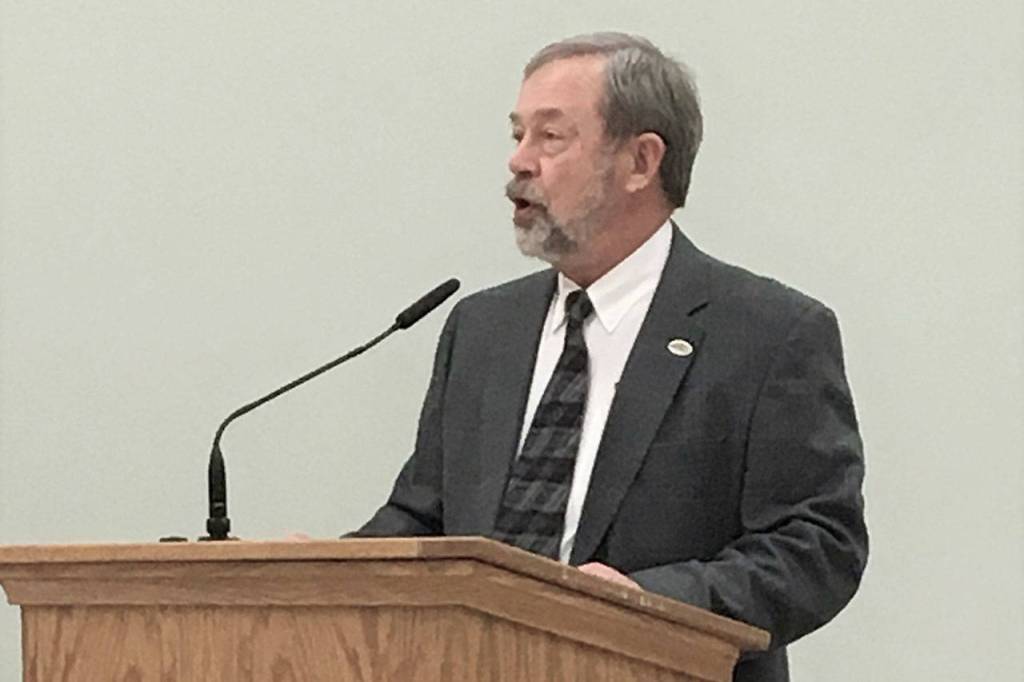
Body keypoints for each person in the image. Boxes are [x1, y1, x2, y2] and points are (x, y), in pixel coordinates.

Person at [355, 32, 867, 682]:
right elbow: (425, 517)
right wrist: (324, 574)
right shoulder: (483, 328)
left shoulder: (769, 333)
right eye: (516, 135)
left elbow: (816, 548)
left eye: (550, 137)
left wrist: (650, 604)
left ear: (640, 162)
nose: (519, 162)